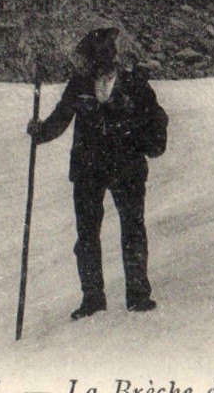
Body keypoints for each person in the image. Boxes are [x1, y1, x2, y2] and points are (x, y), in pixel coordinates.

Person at [28, 26, 166, 318]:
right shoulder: (79, 84)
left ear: (113, 54)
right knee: (87, 234)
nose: (101, 60)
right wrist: (41, 132)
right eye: (95, 56)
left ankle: (138, 295)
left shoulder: (134, 84)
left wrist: (144, 140)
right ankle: (92, 299)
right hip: (88, 170)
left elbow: (155, 120)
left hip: (127, 169)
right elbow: (61, 117)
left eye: (105, 53)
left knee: (132, 229)